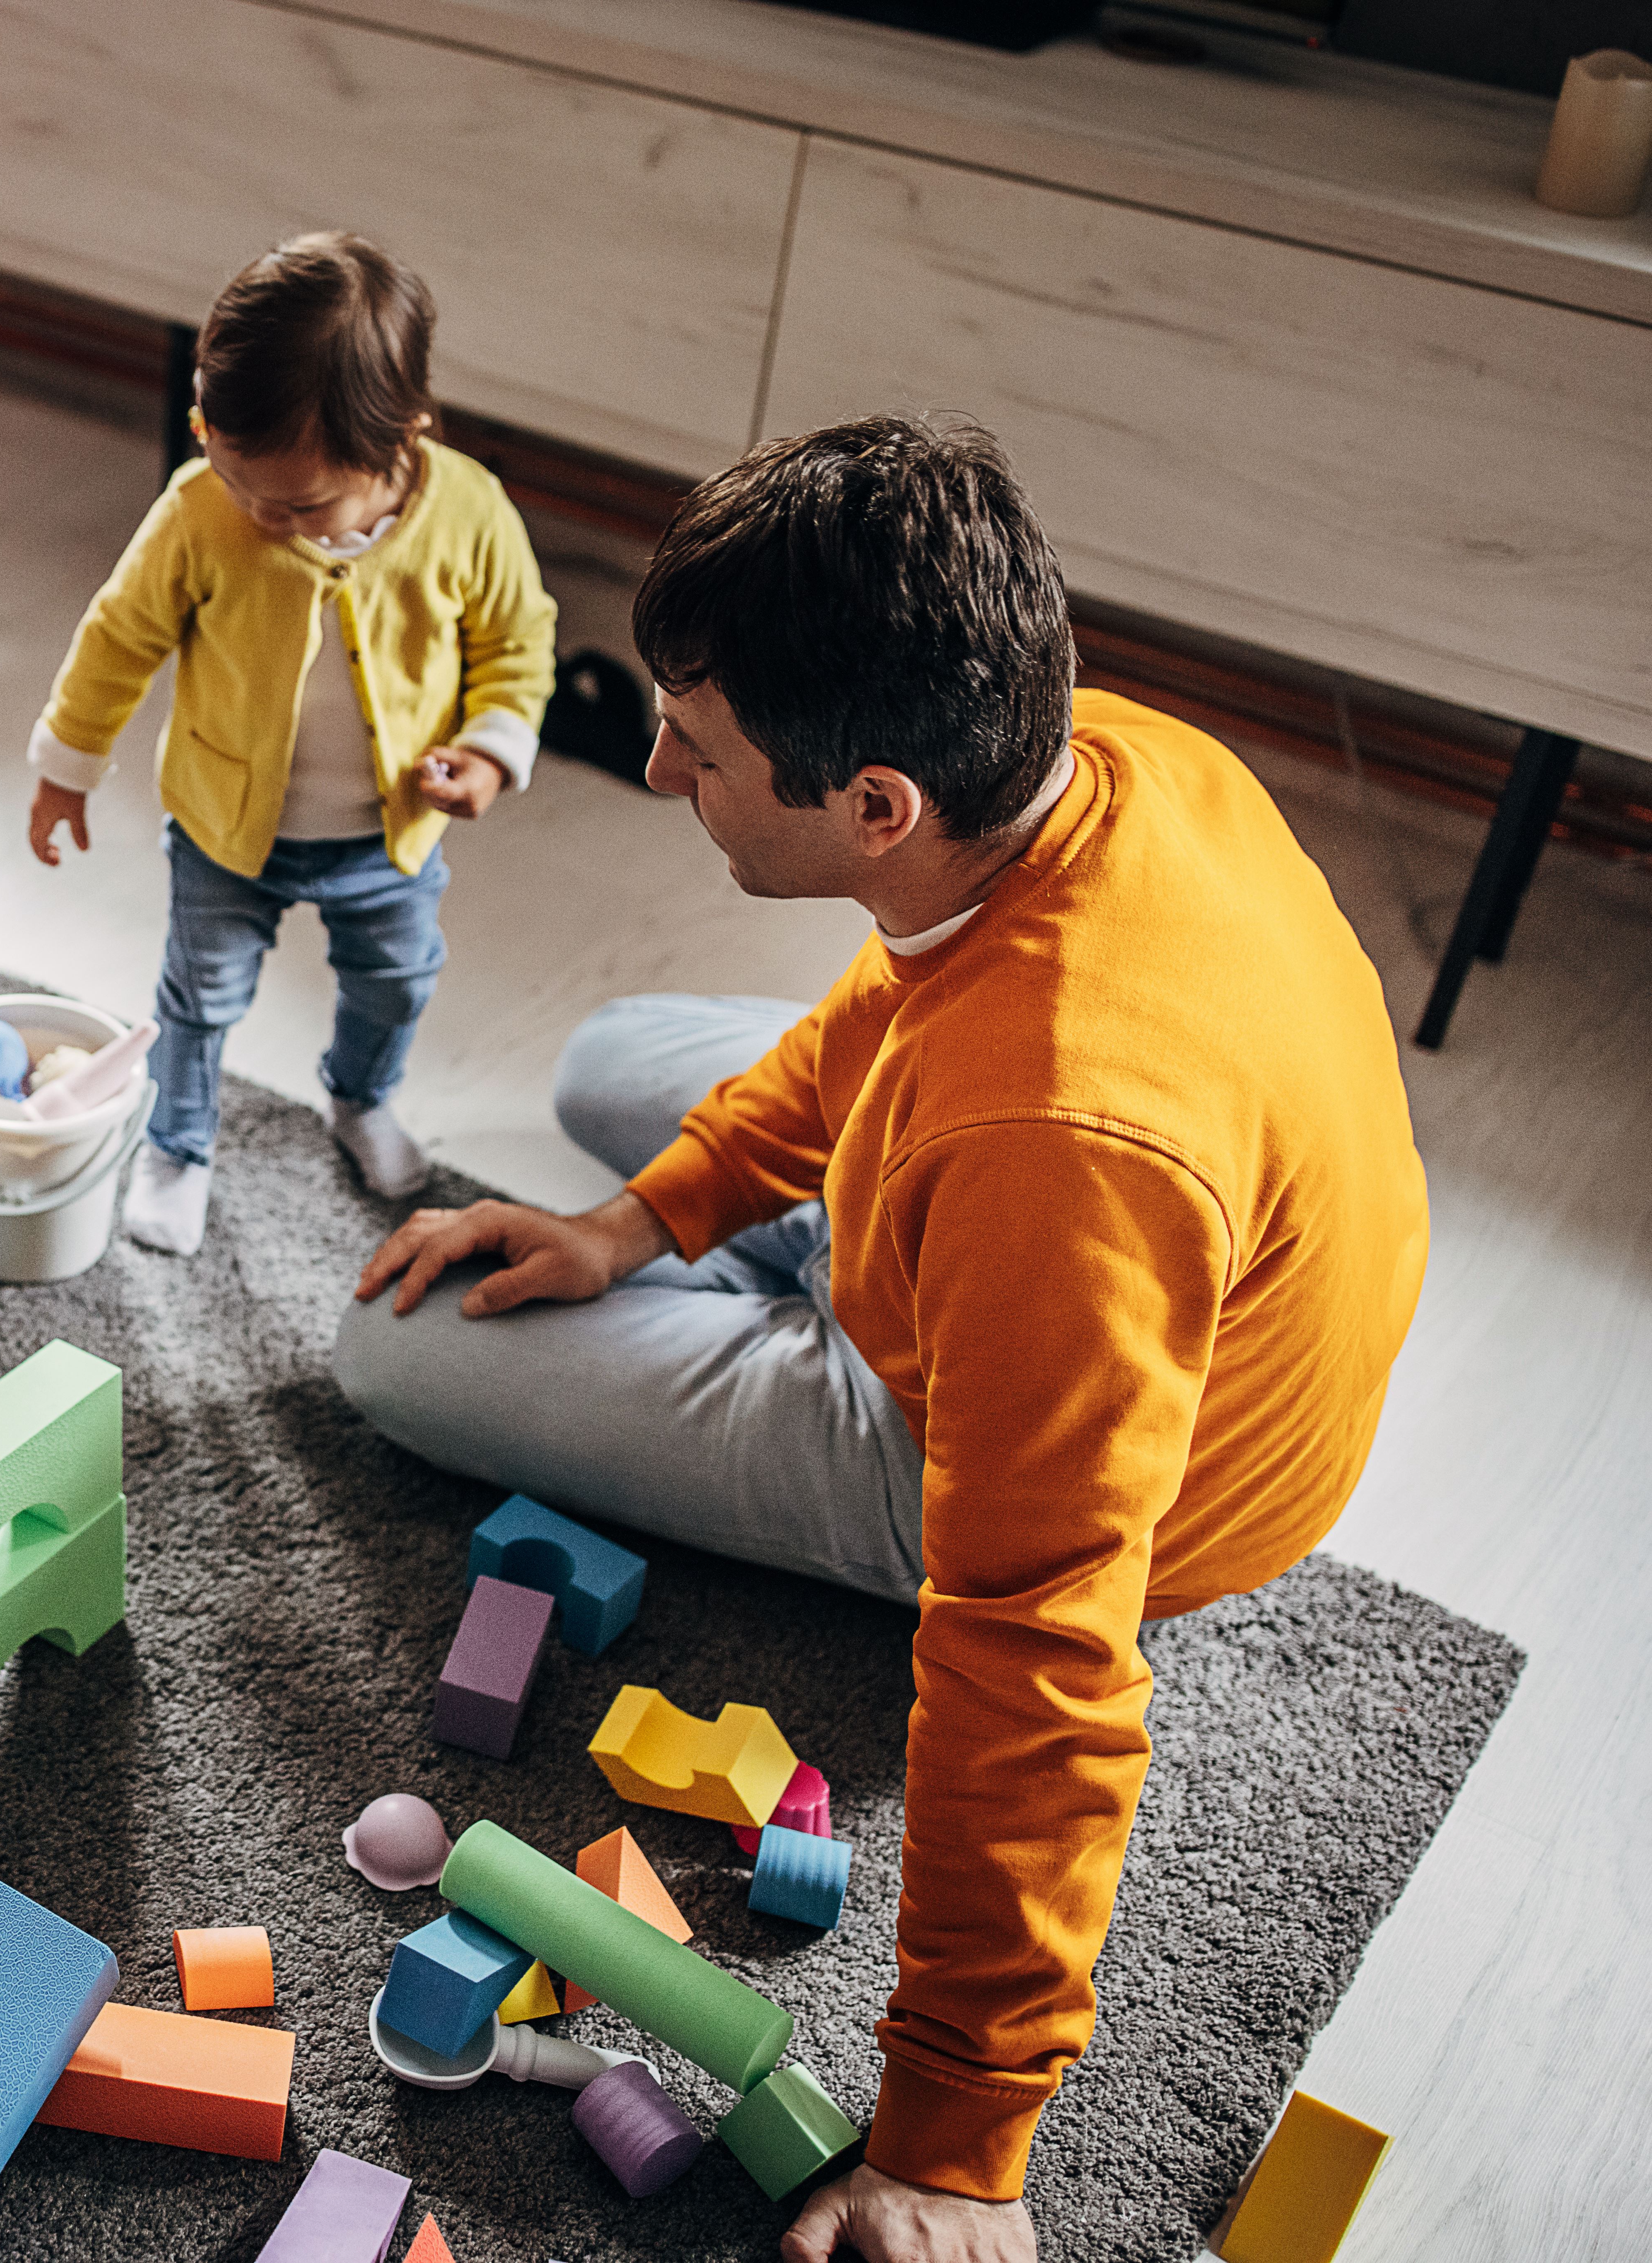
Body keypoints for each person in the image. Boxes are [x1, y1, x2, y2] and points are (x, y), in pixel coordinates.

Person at [333, 418, 1429, 2263]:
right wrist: (641, 1217)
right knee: (614, 1072)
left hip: (1085, 1436)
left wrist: (952, 2143)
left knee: (392, 1358)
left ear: (874, 809)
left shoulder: (1047, 1159)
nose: (654, 755)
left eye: (699, 745)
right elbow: (885, 1015)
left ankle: (788, 1324)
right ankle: (715, 1255)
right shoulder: (1100, 755)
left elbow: (1037, 1661)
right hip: (1041, 1229)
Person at [22, 230, 558, 1254]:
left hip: (389, 837)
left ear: (403, 436)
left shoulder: (469, 513)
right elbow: (118, 638)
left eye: (300, 503)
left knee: (396, 979)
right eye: (236, 479)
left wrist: (490, 750)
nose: (262, 515)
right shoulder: (199, 514)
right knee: (199, 993)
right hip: (229, 832)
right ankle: (177, 1142)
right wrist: (66, 770)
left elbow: (516, 636)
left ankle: (361, 1097)